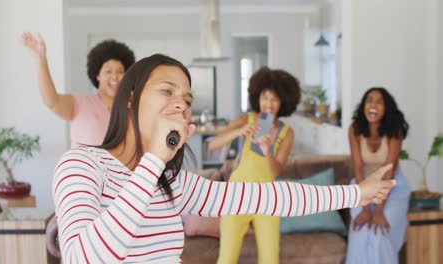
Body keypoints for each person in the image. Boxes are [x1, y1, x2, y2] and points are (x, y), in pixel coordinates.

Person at [53, 54, 396, 264]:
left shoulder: (172, 183)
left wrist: (356, 194)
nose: (181, 103)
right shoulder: (81, 166)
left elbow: (269, 196)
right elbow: (83, 258)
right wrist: (154, 160)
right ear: (130, 99)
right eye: (167, 90)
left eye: (186, 97)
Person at [208, 67, 300, 264]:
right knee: (226, 259)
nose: (268, 103)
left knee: (270, 259)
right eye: (264, 97)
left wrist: (268, 151)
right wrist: (239, 131)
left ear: (283, 101)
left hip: (267, 199)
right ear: (257, 97)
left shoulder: (287, 133)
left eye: (274, 98)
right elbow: (213, 145)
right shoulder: (245, 120)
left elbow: (275, 171)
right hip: (237, 196)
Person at [22, 32, 135, 147]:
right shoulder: (80, 103)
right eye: (108, 71)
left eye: (120, 72)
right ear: (98, 75)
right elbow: (52, 101)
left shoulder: (132, 108)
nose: (115, 77)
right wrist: (41, 60)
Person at [345, 87, 411, 264]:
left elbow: (389, 170)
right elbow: (358, 168)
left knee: (379, 234)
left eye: (379, 101)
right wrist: (366, 209)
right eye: (369, 100)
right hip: (362, 186)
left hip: (392, 189)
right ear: (364, 106)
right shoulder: (355, 129)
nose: (373, 105)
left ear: (386, 108)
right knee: (360, 233)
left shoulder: (394, 131)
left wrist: (379, 211)